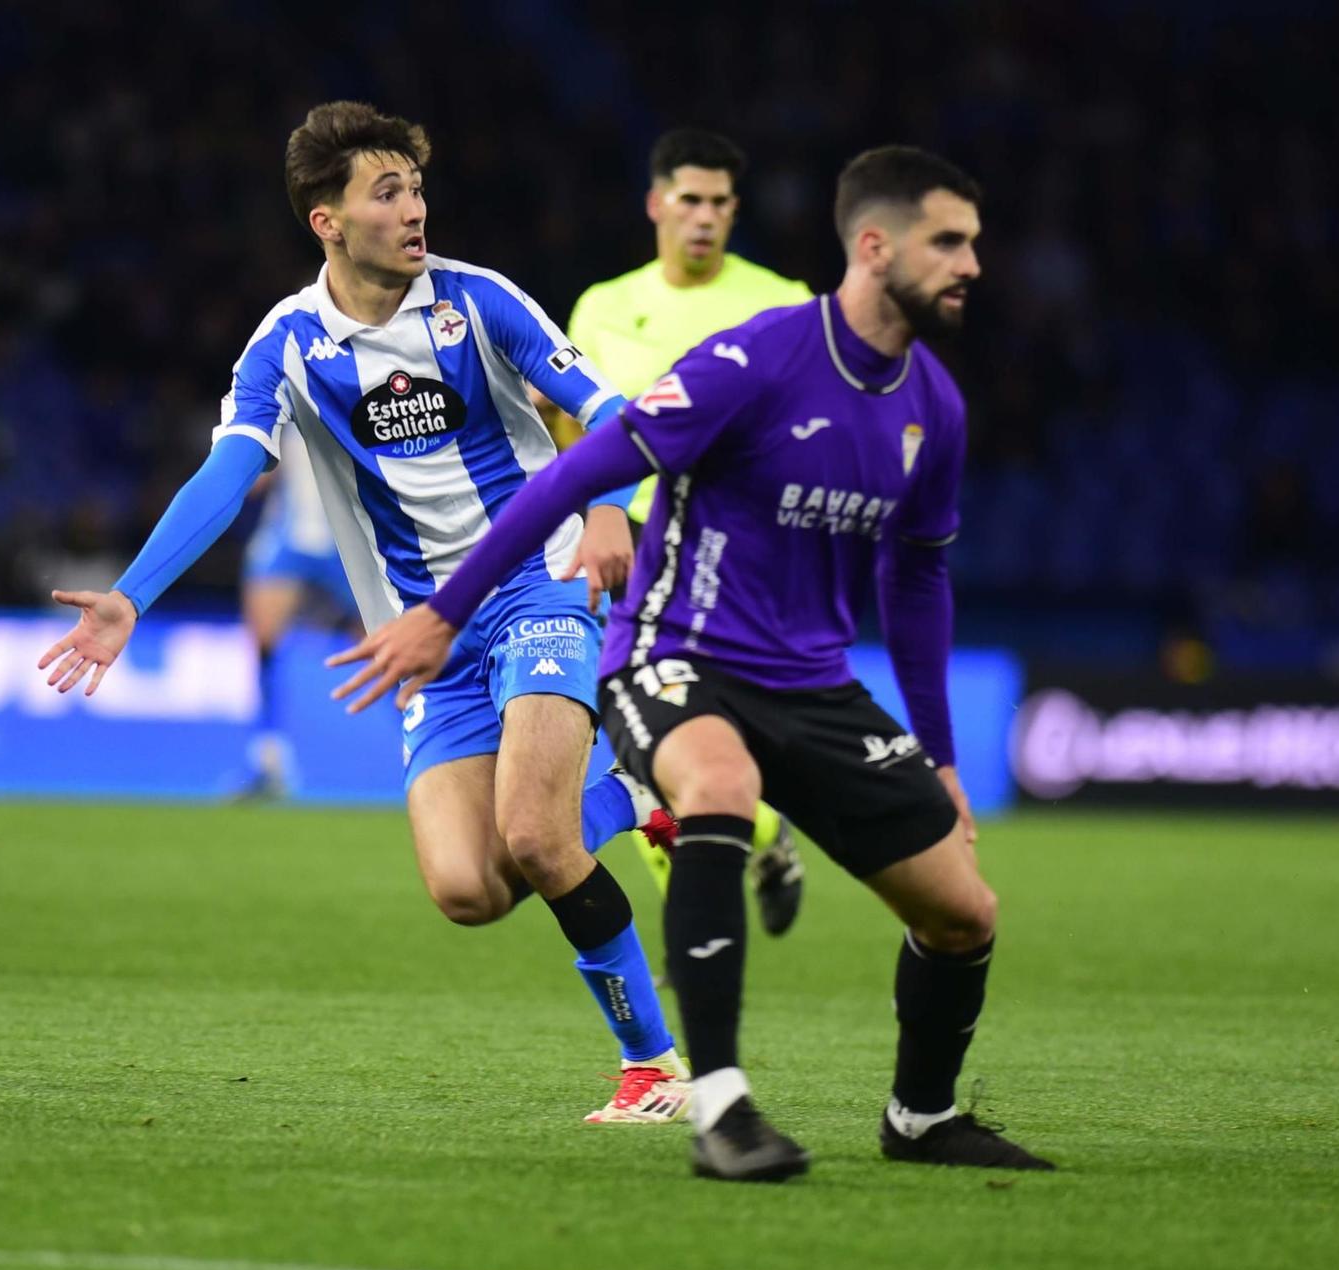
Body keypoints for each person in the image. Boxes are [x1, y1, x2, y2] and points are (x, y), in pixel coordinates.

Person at [331, 145, 1054, 1180]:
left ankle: (920, 1114)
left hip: (812, 682)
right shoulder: (754, 359)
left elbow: (916, 580)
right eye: (948, 240)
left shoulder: (931, 406)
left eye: (973, 243)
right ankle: (717, 1103)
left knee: (962, 908)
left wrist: (937, 756)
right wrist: (444, 611)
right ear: (873, 244)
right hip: (677, 653)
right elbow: (572, 473)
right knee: (713, 786)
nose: (970, 263)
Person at [38, 102, 691, 1124]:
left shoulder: (478, 304)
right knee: (468, 888)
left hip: (538, 583)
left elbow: (608, 414)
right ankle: (641, 795)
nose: (413, 209)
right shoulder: (290, 342)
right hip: (420, 635)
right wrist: (130, 594)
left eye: (416, 188)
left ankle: (653, 1068)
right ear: (325, 220)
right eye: (386, 192)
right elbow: (229, 467)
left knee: (533, 833)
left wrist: (605, 508)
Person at [561, 127, 811, 935]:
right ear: (656, 203)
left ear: (735, 211)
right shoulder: (602, 307)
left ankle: (752, 846)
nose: (703, 216)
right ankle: (707, 913)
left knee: (678, 742)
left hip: (729, 553)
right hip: (624, 548)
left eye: (719, 203)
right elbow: (574, 434)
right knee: (642, 745)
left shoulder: (784, 303)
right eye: (689, 199)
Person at [235, 431, 356, 798]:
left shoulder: (360, 390)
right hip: (288, 539)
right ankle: (268, 760)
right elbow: (252, 477)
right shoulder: (280, 397)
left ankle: (429, 747)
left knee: (388, 647)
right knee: (264, 644)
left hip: (346, 541)